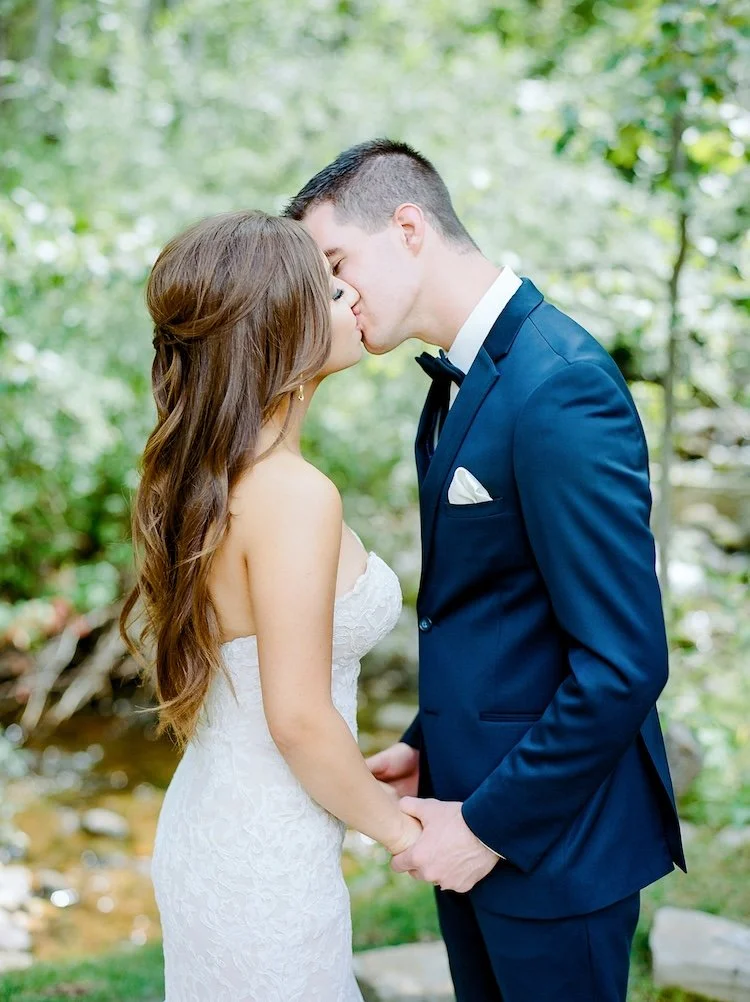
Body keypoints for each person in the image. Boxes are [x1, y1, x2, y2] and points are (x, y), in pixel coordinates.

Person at [286, 139, 686, 1002]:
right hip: (468, 813)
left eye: (338, 265)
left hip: (554, 846)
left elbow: (624, 663)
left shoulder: (561, 386)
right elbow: (496, 608)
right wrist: (430, 744)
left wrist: (490, 827)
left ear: (408, 228)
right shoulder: (454, 385)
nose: (338, 297)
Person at [120, 210, 421, 1002]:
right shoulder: (291, 494)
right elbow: (297, 716)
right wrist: (402, 834)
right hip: (264, 861)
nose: (350, 293)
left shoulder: (207, 477)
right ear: (279, 330)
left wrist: (363, 778)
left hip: (220, 823)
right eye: (327, 289)